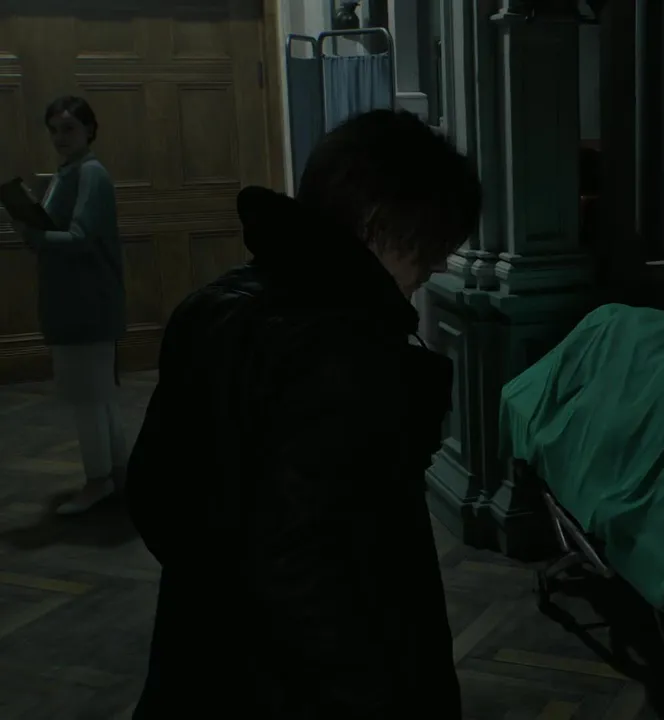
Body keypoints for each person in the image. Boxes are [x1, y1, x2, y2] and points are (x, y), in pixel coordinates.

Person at [125, 109, 481, 718]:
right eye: (433, 241)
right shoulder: (349, 353)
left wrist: (216, 581)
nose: (440, 263)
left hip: (200, 658)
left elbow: (154, 493)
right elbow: (315, 578)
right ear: (378, 223)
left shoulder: (211, 308)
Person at [12, 96, 128, 515]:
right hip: (73, 297)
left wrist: (34, 235)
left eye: (69, 129)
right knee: (97, 395)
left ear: (89, 130)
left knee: (88, 396)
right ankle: (115, 475)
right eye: (54, 130)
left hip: (86, 300)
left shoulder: (90, 173)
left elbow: (80, 237)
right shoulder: (70, 172)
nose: (60, 137)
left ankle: (98, 481)